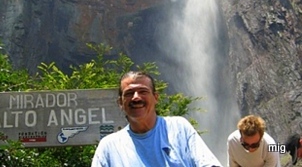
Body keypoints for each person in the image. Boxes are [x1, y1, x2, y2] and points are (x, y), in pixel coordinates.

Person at [91, 71, 222, 167]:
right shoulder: (108, 147)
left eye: (143, 91)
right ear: (120, 103)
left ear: (156, 98)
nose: (136, 97)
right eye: (129, 93)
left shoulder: (179, 128)